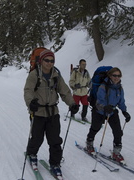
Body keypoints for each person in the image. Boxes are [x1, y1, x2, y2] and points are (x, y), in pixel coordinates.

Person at [24, 49, 79, 178]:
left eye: (52, 60)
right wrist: (31, 103)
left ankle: (55, 164)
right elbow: (28, 91)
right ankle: (32, 154)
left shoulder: (56, 75)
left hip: (53, 113)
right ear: (41, 61)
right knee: (37, 138)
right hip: (38, 112)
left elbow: (64, 91)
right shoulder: (34, 75)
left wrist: (72, 103)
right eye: (47, 60)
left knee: (55, 140)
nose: (49, 63)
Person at [85, 67, 131, 164]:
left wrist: (124, 111)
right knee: (95, 128)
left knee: (118, 131)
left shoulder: (119, 88)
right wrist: (104, 107)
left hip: (112, 112)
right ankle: (89, 143)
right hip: (99, 111)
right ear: (110, 76)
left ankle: (116, 152)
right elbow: (98, 101)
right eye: (114, 75)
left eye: (118, 76)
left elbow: (121, 101)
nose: (116, 77)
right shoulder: (103, 86)